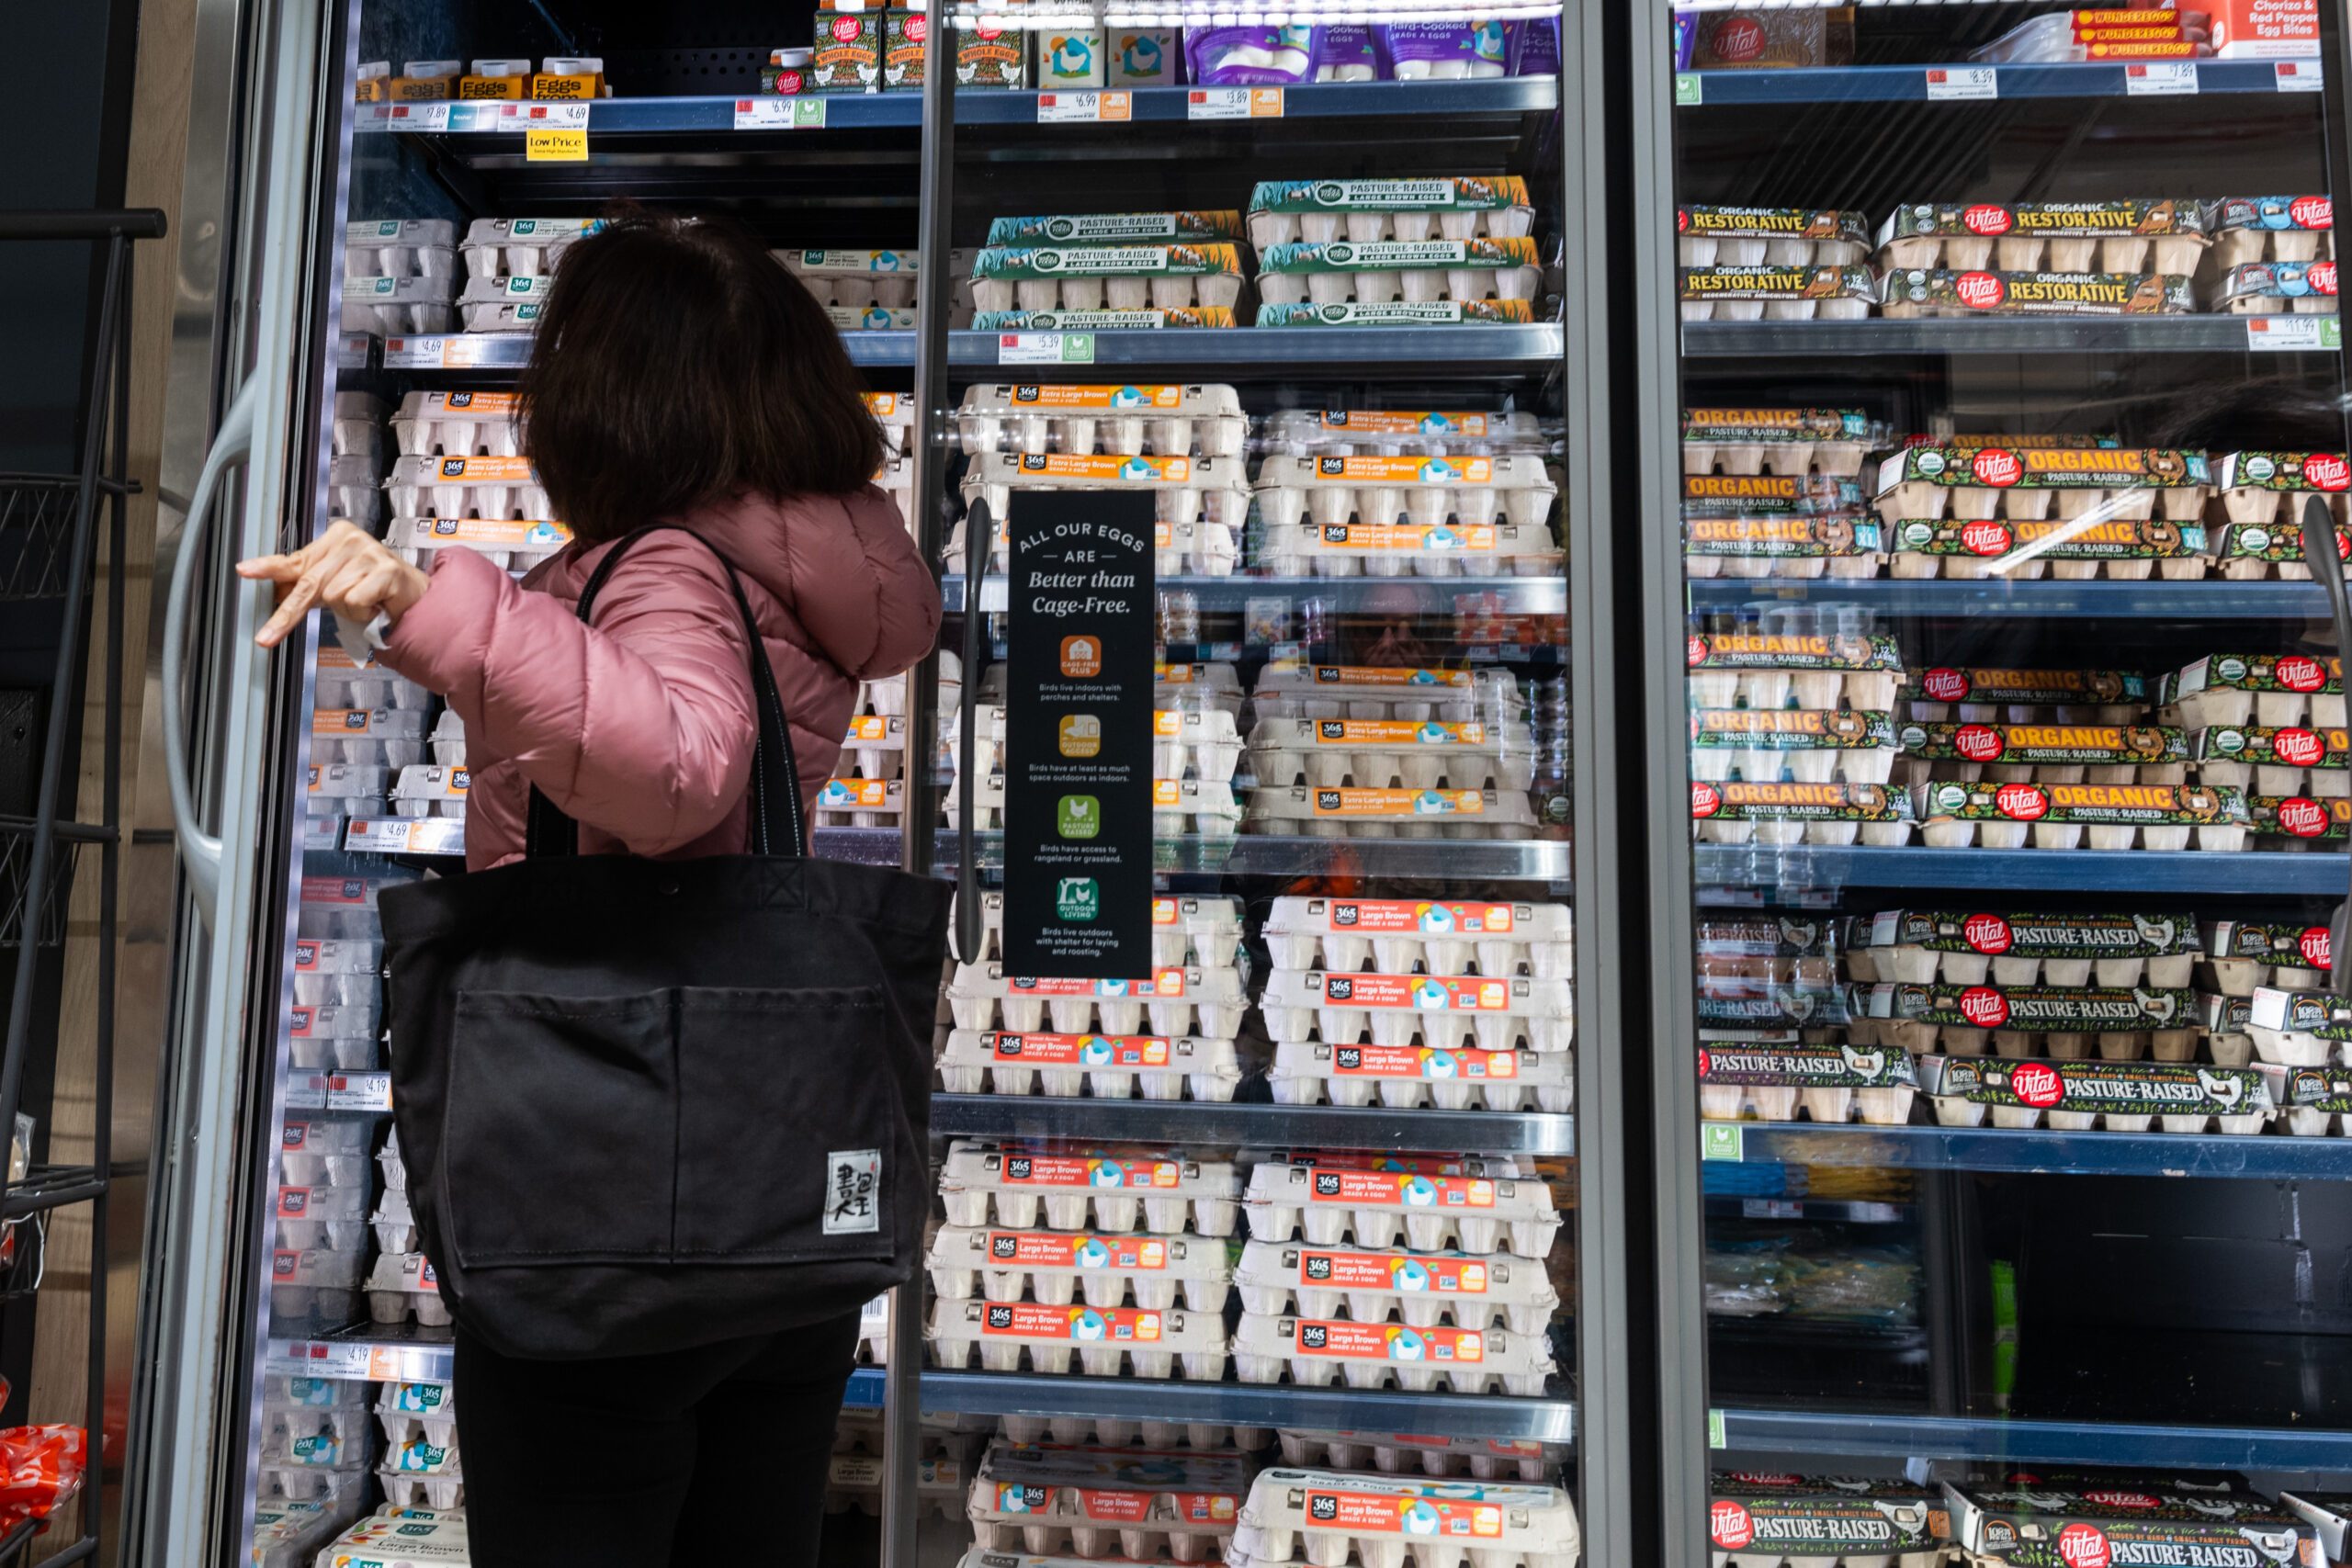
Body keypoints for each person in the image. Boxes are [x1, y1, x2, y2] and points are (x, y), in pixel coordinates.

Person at [237, 209, 941, 1565]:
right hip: (773, 1205)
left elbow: (678, 768)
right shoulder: (780, 570)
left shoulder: (667, 567)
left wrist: (414, 598)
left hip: (612, 1206)